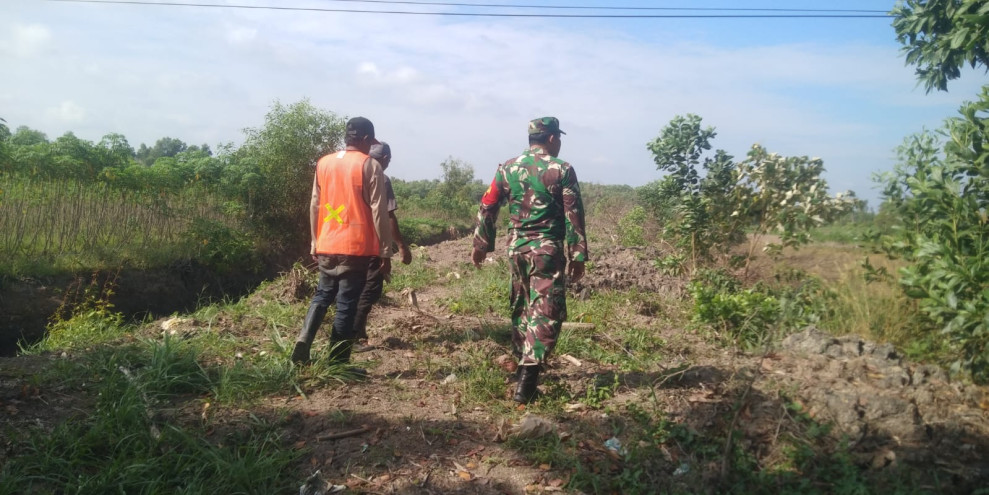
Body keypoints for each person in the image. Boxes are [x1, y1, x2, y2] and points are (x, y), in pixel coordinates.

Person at [471, 116, 589, 403]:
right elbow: (573, 213)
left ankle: (522, 367)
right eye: (558, 138)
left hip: (516, 250)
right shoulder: (561, 169)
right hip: (546, 251)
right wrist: (578, 253)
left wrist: (481, 244)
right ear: (551, 139)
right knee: (546, 311)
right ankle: (527, 383)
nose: (559, 143)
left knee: (522, 305)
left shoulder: (507, 168)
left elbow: (487, 206)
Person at [291, 116, 394, 374]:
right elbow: (379, 211)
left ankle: (305, 338)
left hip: (327, 243)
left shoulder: (323, 163)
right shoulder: (370, 166)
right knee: (347, 301)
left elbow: (315, 203)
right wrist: (385, 251)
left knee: (322, 294)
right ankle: (337, 363)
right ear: (367, 140)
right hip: (356, 247)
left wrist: (315, 241)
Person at [352, 142, 413, 352]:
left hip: (347, 242)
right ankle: (355, 336)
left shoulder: (353, 172)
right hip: (370, 244)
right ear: (386, 159)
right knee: (370, 288)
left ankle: (346, 335)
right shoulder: (381, 178)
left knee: (351, 288)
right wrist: (401, 246)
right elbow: (388, 215)